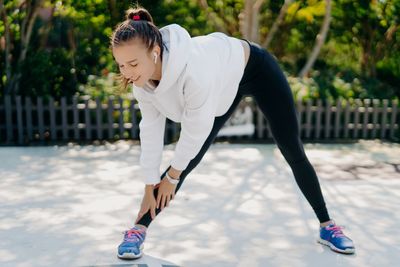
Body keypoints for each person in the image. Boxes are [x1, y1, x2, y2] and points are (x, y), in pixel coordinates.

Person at [110, 6, 355, 260]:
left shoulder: (194, 72)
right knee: (186, 162)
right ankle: (138, 229)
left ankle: (328, 226)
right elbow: (150, 131)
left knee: (291, 148)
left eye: (133, 63)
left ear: (155, 52)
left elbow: (195, 131)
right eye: (121, 65)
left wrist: (171, 176)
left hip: (255, 67)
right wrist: (150, 184)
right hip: (224, 81)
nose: (126, 72)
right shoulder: (141, 80)